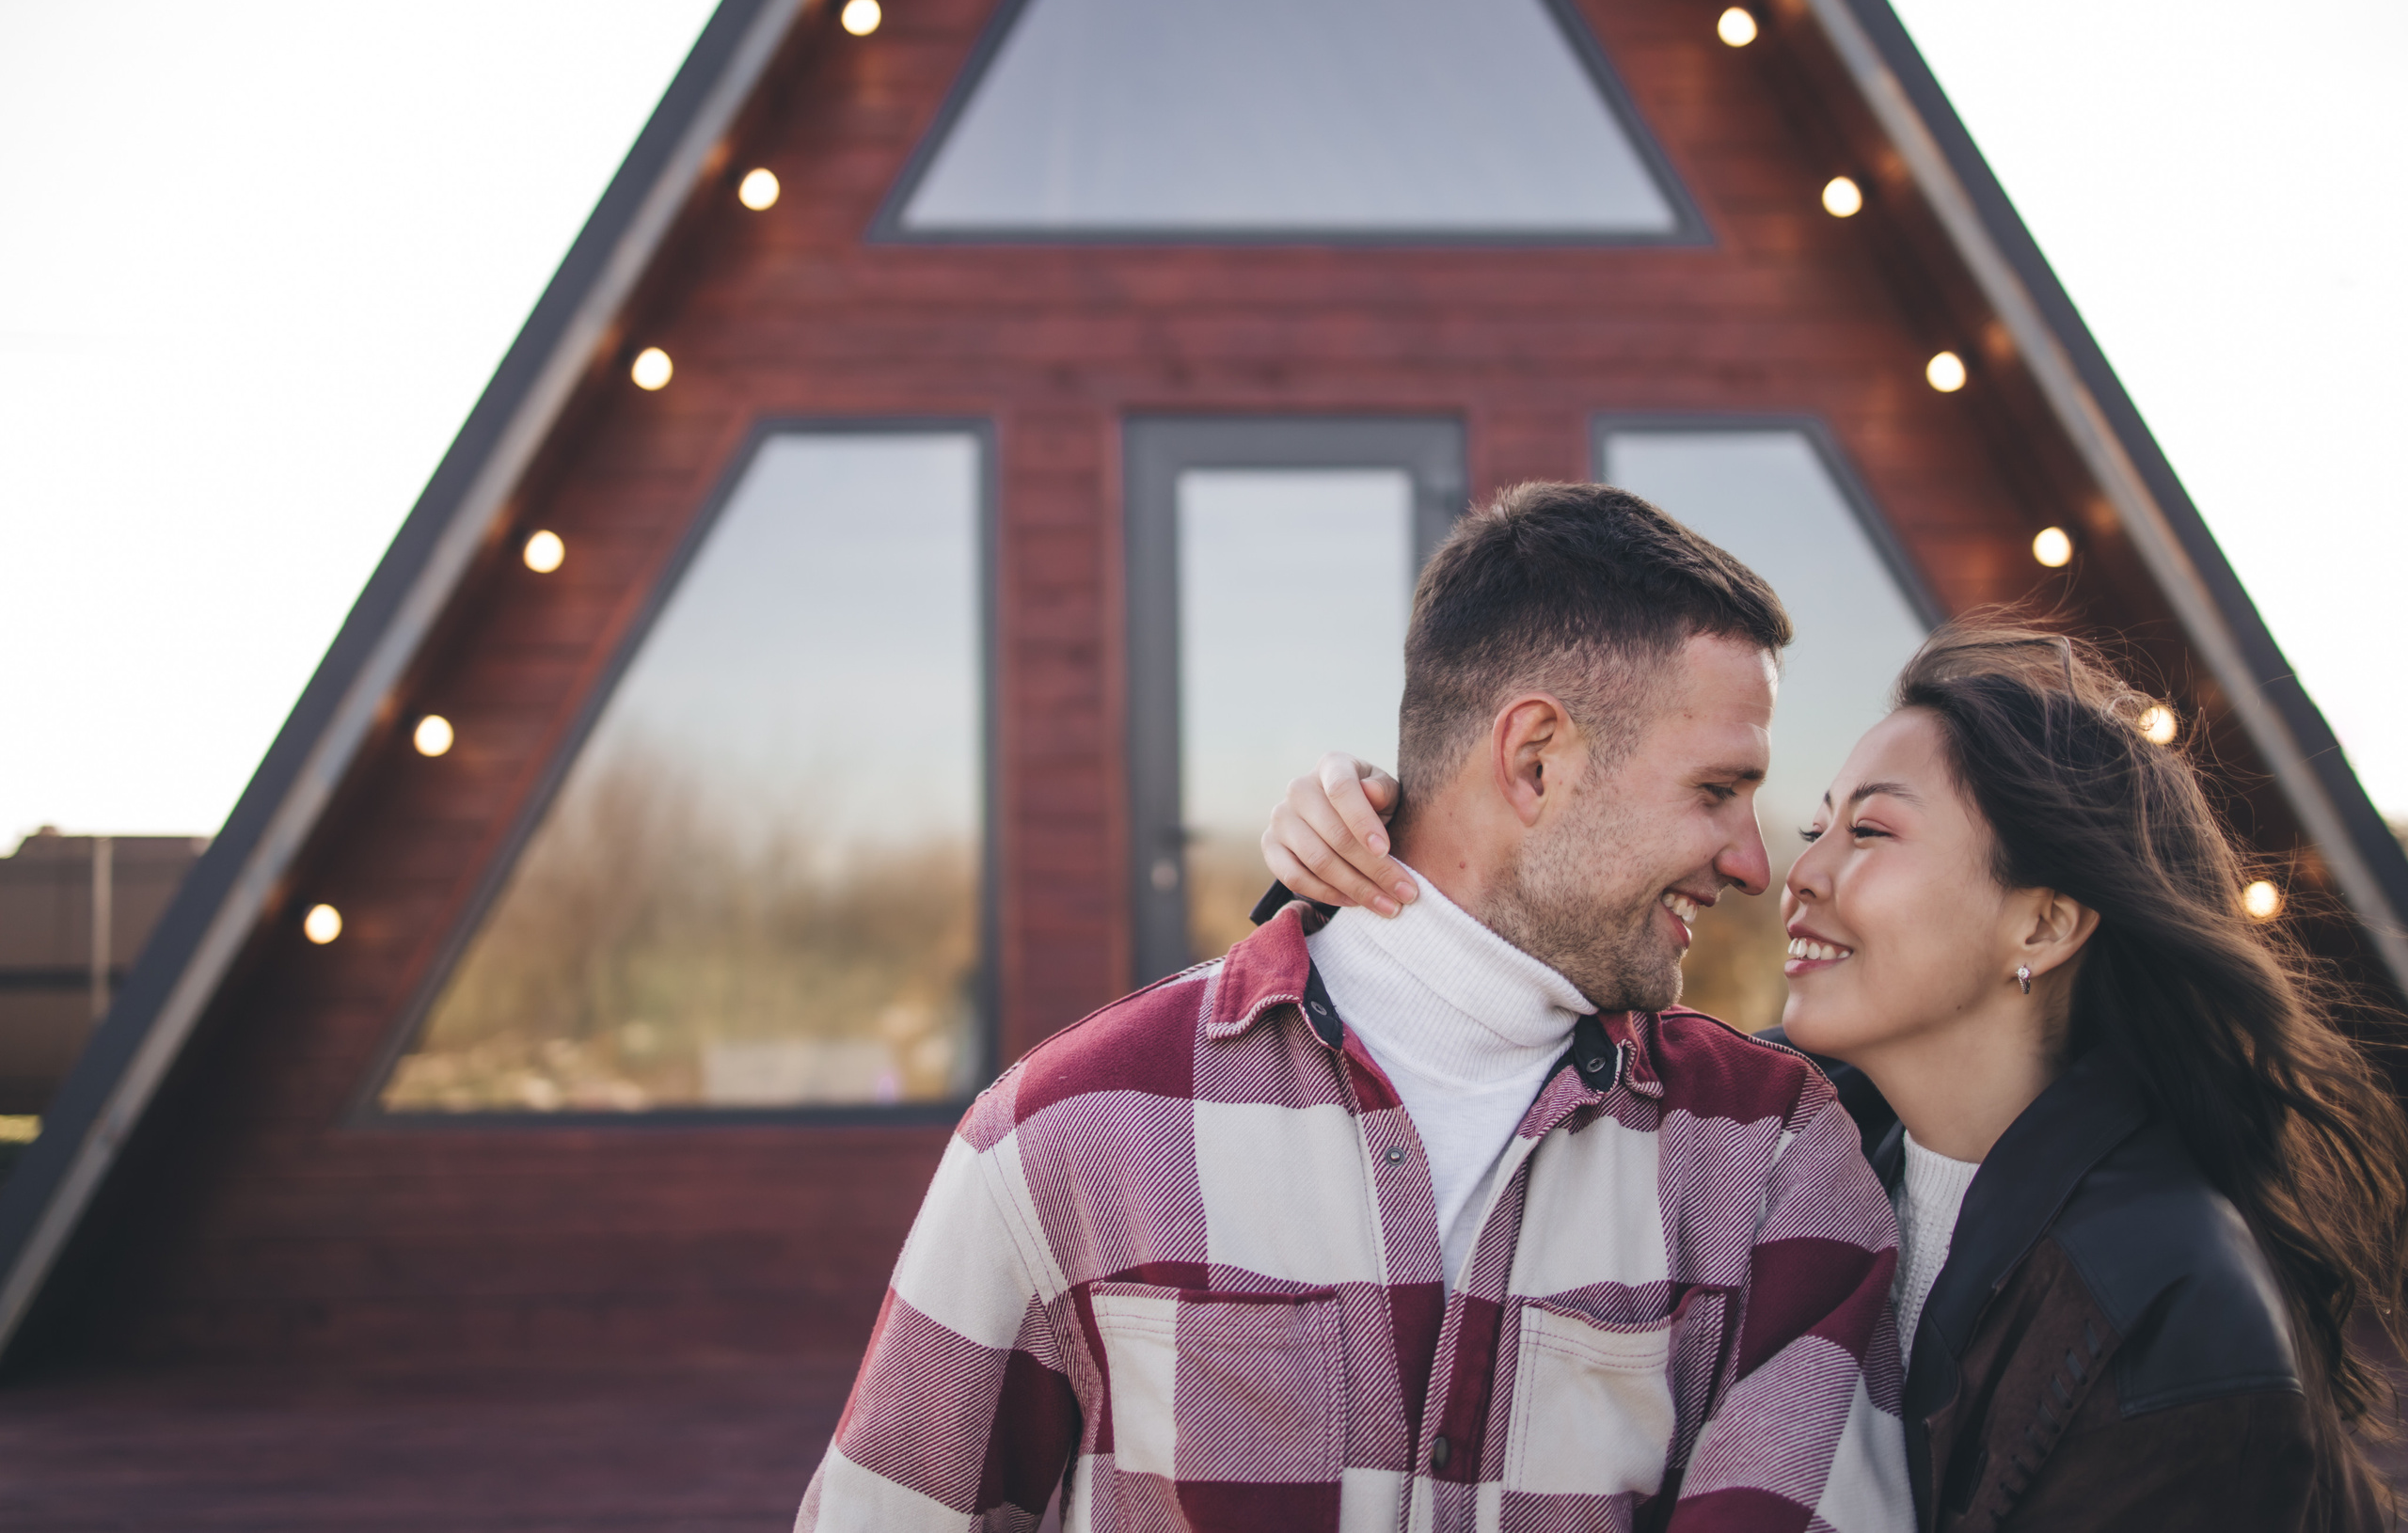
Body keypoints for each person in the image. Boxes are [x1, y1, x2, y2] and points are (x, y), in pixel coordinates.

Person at [800, 483, 1912, 1531]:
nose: (1755, 865)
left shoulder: (1767, 1161)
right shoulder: (1064, 1134)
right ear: (1534, 761)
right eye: (1717, 791)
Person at [1262, 617, 2408, 1531]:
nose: (1792, 875)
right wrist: (1369, 864)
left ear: (2046, 923)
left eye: (1870, 833)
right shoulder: (1796, 1164)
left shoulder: (2169, 1307)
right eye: (1818, 825)